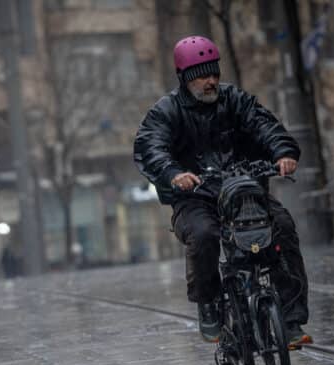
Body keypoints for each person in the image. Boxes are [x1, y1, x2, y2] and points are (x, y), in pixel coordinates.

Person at [133, 35, 311, 347]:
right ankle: (209, 303)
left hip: (244, 193)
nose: (211, 80)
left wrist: (282, 152)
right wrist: (174, 173)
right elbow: (151, 145)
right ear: (186, 79)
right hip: (195, 200)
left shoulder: (236, 100)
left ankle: (291, 319)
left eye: (214, 73)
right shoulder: (166, 111)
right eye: (202, 75)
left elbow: (263, 124)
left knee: (282, 227)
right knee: (203, 235)